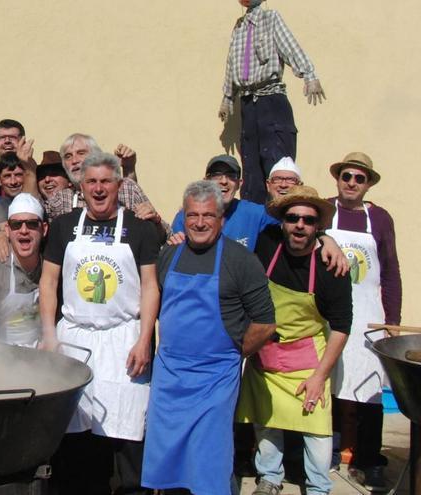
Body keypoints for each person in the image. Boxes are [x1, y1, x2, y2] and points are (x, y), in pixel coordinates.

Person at [142, 181, 276, 495]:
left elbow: (266, 323)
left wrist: (235, 352)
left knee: (209, 458)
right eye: (192, 216)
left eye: (208, 216)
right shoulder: (168, 255)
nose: (199, 223)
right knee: (166, 457)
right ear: (183, 217)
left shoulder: (241, 260)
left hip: (215, 378)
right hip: (170, 376)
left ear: (222, 220)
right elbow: (154, 299)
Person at [39, 151, 160, 494]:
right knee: (75, 434)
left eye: (106, 181)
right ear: (81, 186)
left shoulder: (140, 229)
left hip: (124, 339)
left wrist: (144, 340)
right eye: (91, 181)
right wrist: (49, 335)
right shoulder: (64, 227)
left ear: (119, 185)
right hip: (74, 340)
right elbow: (48, 283)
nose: (99, 188)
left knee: (128, 433)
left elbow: (150, 286)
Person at [236, 185, 352, 495]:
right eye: (292, 218)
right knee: (266, 421)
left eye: (309, 220)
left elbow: (341, 328)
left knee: (317, 430)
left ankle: (318, 487)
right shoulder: (267, 243)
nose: (299, 225)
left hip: (307, 359)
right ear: (283, 222)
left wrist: (319, 377)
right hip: (266, 354)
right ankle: (270, 478)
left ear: (317, 227)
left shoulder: (332, 268)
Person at [326, 152, 401, 491]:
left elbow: (391, 272)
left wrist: (393, 320)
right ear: (338, 179)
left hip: (370, 316)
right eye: (347, 176)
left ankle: (369, 459)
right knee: (330, 383)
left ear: (368, 183)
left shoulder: (381, 218)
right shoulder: (325, 210)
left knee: (369, 390)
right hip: (329, 314)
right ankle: (326, 450)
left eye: (359, 178)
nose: (352, 183)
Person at [219, 0, 325, 204]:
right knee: (251, 167)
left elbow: (290, 46)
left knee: (277, 163)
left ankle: (282, 214)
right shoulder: (239, 27)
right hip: (248, 104)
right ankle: (255, 219)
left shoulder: (271, 19)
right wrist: (228, 97)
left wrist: (309, 75)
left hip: (272, 101)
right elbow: (231, 63)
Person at [43, 133, 163, 234]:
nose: (74, 161)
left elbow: (165, 236)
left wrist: (155, 221)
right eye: (68, 156)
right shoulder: (62, 199)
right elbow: (31, 217)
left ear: (96, 156)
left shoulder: (126, 188)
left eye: (81, 153)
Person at [0, 193, 46, 347]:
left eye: (32, 224)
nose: (24, 230)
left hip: (37, 353)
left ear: (44, 229)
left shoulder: (49, 265)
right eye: (16, 225)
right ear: (7, 230)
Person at [172, 154, 278, 250]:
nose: (223, 181)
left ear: (239, 183)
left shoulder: (255, 214)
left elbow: (287, 223)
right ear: (206, 181)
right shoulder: (186, 217)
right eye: (216, 175)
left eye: (231, 176)